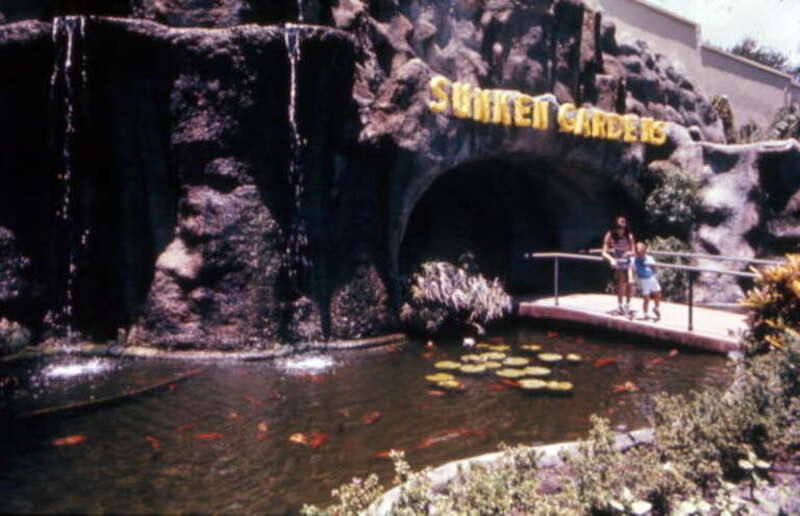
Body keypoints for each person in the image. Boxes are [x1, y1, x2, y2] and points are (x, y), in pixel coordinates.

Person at [601, 216, 635, 316]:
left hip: (628, 261)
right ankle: (620, 305)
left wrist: (629, 253)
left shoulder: (629, 236)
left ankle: (627, 305)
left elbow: (634, 251)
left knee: (630, 282)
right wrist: (611, 259)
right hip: (618, 261)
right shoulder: (610, 235)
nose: (621, 230)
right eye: (619, 228)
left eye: (623, 228)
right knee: (621, 283)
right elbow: (604, 252)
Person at [632, 242, 662, 321]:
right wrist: (634, 279)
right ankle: (645, 313)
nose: (640, 254)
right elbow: (633, 269)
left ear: (645, 251)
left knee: (657, 292)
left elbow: (654, 267)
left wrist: (655, 273)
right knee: (646, 297)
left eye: (642, 252)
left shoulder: (649, 258)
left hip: (651, 277)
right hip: (643, 279)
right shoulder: (635, 260)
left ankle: (656, 307)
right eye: (638, 253)